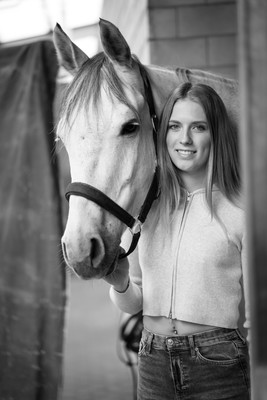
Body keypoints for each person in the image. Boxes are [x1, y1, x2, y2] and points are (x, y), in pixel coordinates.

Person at [104, 82, 250, 400]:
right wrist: (121, 284)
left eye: (198, 127)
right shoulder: (147, 209)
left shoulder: (241, 212)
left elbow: (258, 320)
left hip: (218, 363)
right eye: (174, 126)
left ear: (216, 135)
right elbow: (135, 304)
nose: (184, 139)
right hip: (152, 358)